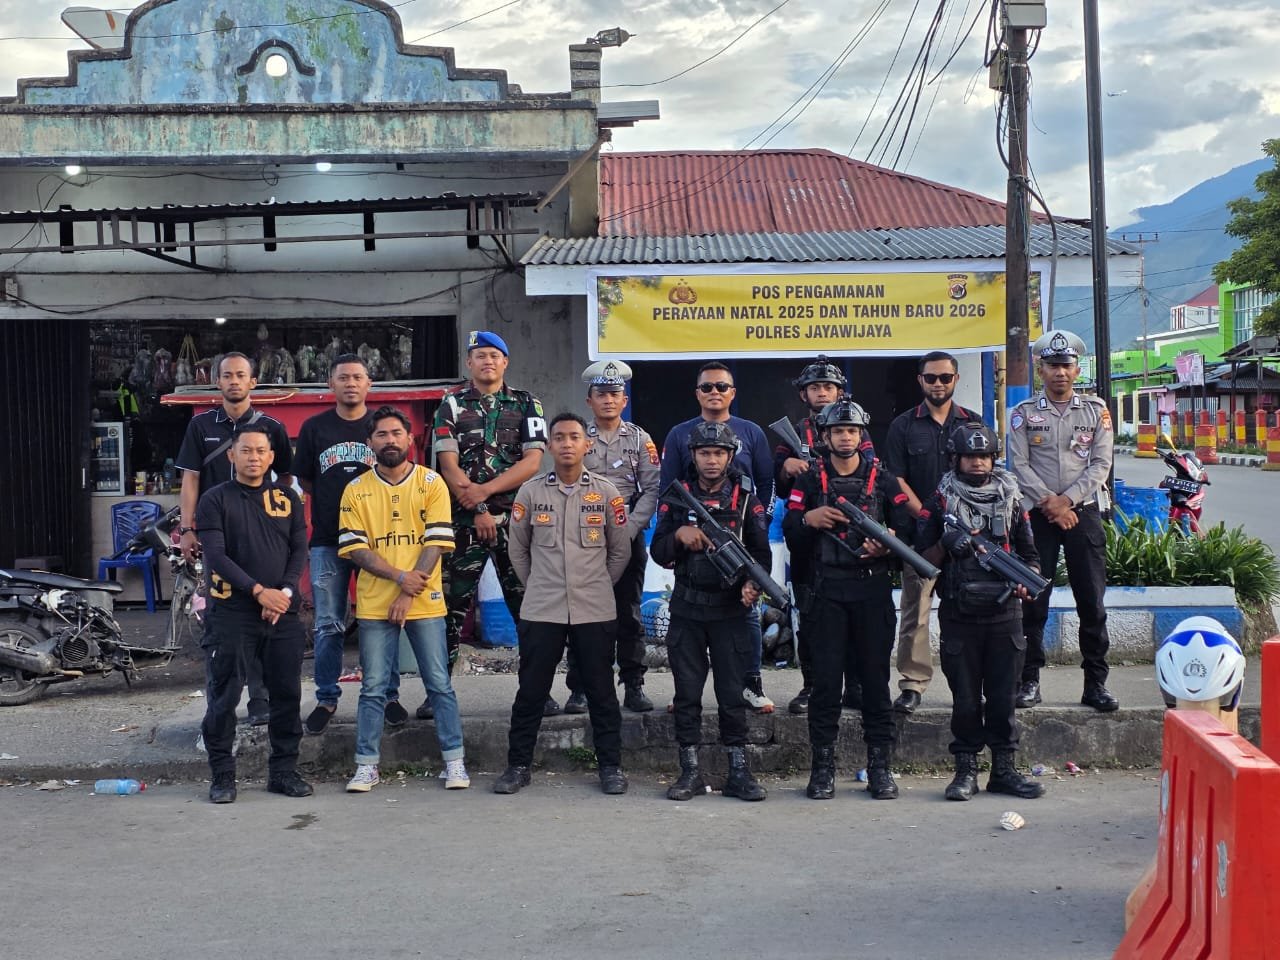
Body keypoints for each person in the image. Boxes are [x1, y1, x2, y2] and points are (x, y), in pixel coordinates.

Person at [782, 399, 915, 801]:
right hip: (826, 593)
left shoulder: (884, 478)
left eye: (852, 431)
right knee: (825, 685)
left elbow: (910, 528)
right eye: (838, 431)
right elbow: (790, 529)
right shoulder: (809, 480)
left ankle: (880, 768)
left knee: (875, 683)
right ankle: (822, 769)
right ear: (824, 436)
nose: (845, 437)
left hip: (871, 592)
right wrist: (809, 519)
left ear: (861, 435)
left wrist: (887, 545)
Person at [494, 413, 632, 796]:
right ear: (549, 446)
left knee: (601, 692)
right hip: (543, 608)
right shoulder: (530, 493)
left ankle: (611, 767)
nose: (567, 444)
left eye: (574, 437)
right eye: (559, 437)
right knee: (531, 691)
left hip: (594, 607)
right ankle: (518, 766)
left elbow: (619, 551)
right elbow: (517, 550)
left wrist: (596, 584)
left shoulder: (607, 493)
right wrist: (539, 585)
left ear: (587, 444)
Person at [337, 407, 468, 793]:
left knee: (439, 683)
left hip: (425, 601)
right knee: (373, 687)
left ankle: (454, 761)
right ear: (370, 443)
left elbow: (436, 543)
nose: (390, 440)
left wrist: (408, 592)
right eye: (381, 434)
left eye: (397, 433)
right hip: (376, 602)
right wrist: (399, 579)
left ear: (410, 439)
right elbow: (356, 549)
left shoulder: (431, 482)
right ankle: (366, 766)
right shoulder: (356, 489)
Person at [915, 421, 1045, 801]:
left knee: (1004, 699)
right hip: (960, 615)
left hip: (1005, 617)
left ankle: (1004, 770)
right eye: (970, 456)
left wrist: (1025, 579)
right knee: (966, 700)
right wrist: (945, 544)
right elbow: (921, 563)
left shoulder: (1012, 499)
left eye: (985, 456)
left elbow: (1031, 556)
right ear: (955, 459)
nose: (978, 463)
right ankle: (965, 771)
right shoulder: (939, 502)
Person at [433, 330, 553, 715]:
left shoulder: (528, 404)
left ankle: (537, 692)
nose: (487, 361)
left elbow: (532, 462)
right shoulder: (451, 404)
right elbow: (448, 465)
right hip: (463, 523)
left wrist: (484, 494)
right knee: (449, 610)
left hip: (514, 524)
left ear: (505, 362)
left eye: (494, 355)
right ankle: (438, 694)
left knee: (528, 609)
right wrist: (478, 508)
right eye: (480, 355)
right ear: (469, 362)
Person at [651, 420, 769, 802]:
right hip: (687, 608)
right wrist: (678, 537)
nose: (712, 460)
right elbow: (658, 551)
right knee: (687, 694)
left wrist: (753, 585)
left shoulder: (747, 499)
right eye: (705, 453)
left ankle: (739, 772)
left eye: (719, 453)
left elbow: (761, 554)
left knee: (732, 695)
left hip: (730, 612)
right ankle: (689, 771)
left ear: (731, 456)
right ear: (693, 455)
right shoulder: (677, 496)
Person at [176, 350, 293, 727]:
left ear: (252, 382)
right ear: (218, 382)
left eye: (241, 375)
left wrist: (280, 527)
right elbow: (191, 478)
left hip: (261, 538)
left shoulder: (271, 427)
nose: (233, 381)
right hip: (216, 538)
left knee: (263, 615)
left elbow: (286, 480)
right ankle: (220, 703)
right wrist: (188, 528)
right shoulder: (200, 426)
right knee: (222, 621)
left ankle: (260, 699)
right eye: (227, 375)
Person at [195, 423, 311, 804]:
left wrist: (285, 594)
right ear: (232, 455)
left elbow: (299, 549)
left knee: (287, 695)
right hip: (231, 613)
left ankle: (283, 772)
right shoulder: (214, 499)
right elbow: (216, 556)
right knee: (224, 696)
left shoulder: (288, 498)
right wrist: (259, 592)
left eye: (261, 451)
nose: (254, 458)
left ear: (272, 457)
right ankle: (222, 776)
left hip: (282, 613)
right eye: (246, 450)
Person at [294, 354, 407, 735]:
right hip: (328, 540)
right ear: (331, 384)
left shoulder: (381, 427)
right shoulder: (314, 428)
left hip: (378, 540)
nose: (351, 383)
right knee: (328, 624)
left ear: (369, 383)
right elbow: (306, 481)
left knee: (383, 619)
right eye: (343, 377)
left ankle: (388, 695)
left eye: (358, 377)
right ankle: (326, 698)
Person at [1008, 330, 1118, 713]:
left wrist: (1067, 501)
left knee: (1092, 602)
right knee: (1032, 602)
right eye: (1053, 365)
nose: (1060, 372)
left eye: (1066, 365)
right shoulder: (1023, 413)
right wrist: (1050, 504)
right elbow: (1018, 464)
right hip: (1037, 516)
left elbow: (1101, 464)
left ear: (1076, 369)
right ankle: (1029, 681)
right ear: (1040, 369)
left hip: (1082, 514)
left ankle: (1095, 684)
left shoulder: (1095, 411)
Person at [660, 361, 775, 712]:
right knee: (690, 635)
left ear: (732, 393)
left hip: (741, 533)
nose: (714, 392)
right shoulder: (679, 434)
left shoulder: (751, 432)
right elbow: (670, 487)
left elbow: (765, 483)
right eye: (707, 387)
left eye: (721, 387)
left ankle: (750, 683)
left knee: (746, 614)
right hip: (696, 537)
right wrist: (679, 533)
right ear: (697, 393)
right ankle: (686, 695)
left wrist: (755, 524)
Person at [882, 350, 980, 715]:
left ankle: (968, 685)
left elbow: (983, 475)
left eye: (945, 377)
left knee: (967, 612)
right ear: (920, 381)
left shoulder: (972, 423)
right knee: (916, 614)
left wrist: (960, 522)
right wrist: (928, 515)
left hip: (966, 537)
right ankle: (912, 684)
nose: (938, 384)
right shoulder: (903, 426)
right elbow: (895, 478)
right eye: (931, 378)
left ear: (956, 380)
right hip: (918, 538)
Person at [563, 359, 660, 715]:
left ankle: (634, 685)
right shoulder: (577, 437)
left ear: (624, 400)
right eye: (601, 394)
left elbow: (651, 489)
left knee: (628, 614)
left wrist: (628, 529)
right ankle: (580, 688)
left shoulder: (640, 438)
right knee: (581, 614)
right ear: (589, 400)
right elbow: (565, 484)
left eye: (614, 394)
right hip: (584, 536)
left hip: (627, 534)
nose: (608, 400)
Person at [772, 355, 862, 716]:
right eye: (815, 387)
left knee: (855, 616)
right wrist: (787, 467)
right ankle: (812, 685)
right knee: (809, 615)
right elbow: (779, 485)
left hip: (849, 533)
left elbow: (871, 472)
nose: (822, 392)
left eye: (828, 386)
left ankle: (855, 687)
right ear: (804, 394)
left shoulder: (855, 425)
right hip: (807, 535)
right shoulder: (794, 432)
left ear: (840, 392)